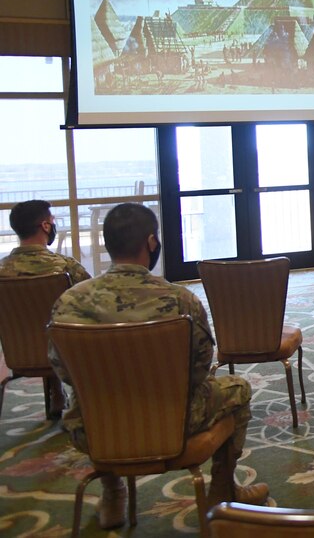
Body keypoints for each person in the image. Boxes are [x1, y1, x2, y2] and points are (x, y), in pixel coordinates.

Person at [47, 203, 268, 531]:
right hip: (174, 422)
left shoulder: (69, 302)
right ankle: (222, 493)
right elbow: (201, 367)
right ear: (151, 243)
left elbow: (62, 370)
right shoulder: (180, 300)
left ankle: (112, 491)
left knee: (90, 398)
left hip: (94, 428)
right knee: (239, 388)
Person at [0, 199, 91, 420]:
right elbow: (91, 302)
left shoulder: (2, 270)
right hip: (64, 353)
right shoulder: (66, 268)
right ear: (46, 226)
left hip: (17, 353)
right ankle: (62, 394)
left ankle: (56, 391)